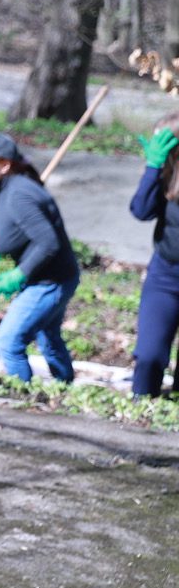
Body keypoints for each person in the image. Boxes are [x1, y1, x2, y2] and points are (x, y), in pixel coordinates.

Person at [0, 131, 81, 386]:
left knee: (8, 342)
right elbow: (23, 227)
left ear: (4, 165)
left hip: (49, 282)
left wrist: (20, 273)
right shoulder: (11, 186)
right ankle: (65, 387)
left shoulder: (19, 194)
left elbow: (48, 242)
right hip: (55, 277)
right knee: (48, 335)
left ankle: (22, 400)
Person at [129, 121, 179, 397]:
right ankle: (141, 408)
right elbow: (141, 210)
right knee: (148, 357)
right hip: (166, 275)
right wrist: (153, 167)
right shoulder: (167, 175)